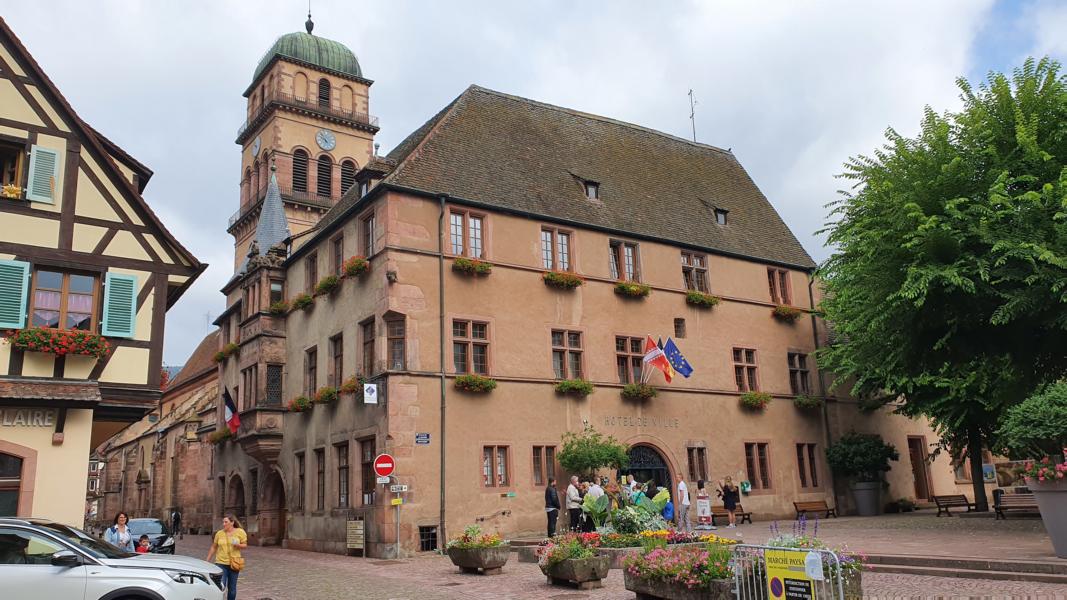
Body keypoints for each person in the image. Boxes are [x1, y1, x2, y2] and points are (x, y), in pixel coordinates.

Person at [206, 514, 248, 600]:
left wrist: (238, 545)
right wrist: (207, 560)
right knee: (221, 585)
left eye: (226, 522)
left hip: (234, 563)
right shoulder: (219, 533)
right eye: (223, 522)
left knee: (232, 588)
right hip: (220, 563)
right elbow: (214, 547)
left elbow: (245, 545)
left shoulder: (240, 532)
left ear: (232, 522)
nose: (224, 524)